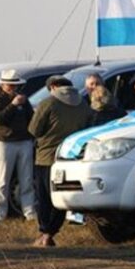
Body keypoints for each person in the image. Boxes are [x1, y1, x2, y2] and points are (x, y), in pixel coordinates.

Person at [28, 75, 94, 247]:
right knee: (60, 198)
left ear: (54, 87)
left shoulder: (48, 103)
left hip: (46, 157)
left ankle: (44, 233)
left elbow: (34, 130)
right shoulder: (83, 104)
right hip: (70, 159)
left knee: (43, 198)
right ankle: (52, 232)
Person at [0, 69, 36, 223]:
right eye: (10, 85)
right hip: (4, 143)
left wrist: (32, 136)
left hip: (24, 142)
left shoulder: (23, 99)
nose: (12, 88)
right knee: (2, 180)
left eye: (15, 85)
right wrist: (13, 105)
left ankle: (29, 212)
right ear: (2, 84)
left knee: (26, 179)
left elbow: (31, 118)